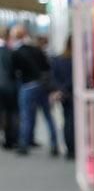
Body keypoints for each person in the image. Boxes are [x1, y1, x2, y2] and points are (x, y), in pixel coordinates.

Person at [10, 24, 60, 156]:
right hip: (43, 86)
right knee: (48, 115)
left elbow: (14, 72)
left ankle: (24, 144)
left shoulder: (16, 53)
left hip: (27, 86)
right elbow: (47, 67)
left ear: (15, 37)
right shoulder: (36, 50)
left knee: (26, 116)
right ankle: (54, 144)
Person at [50, 36, 74, 159]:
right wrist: (64, 89)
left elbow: (54, 77)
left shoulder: (58, 59)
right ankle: (73, 148)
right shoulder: (76, 61)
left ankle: (69, 149)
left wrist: (60, 90)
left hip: (63, 95)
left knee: (67, 121)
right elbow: (73, 78)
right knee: (73, 122)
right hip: (72, 94)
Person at [0, 26, 18, 150]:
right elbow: (14, 70)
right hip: (9, 87)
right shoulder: (10, 51)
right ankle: (10, 140)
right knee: (10, 114)